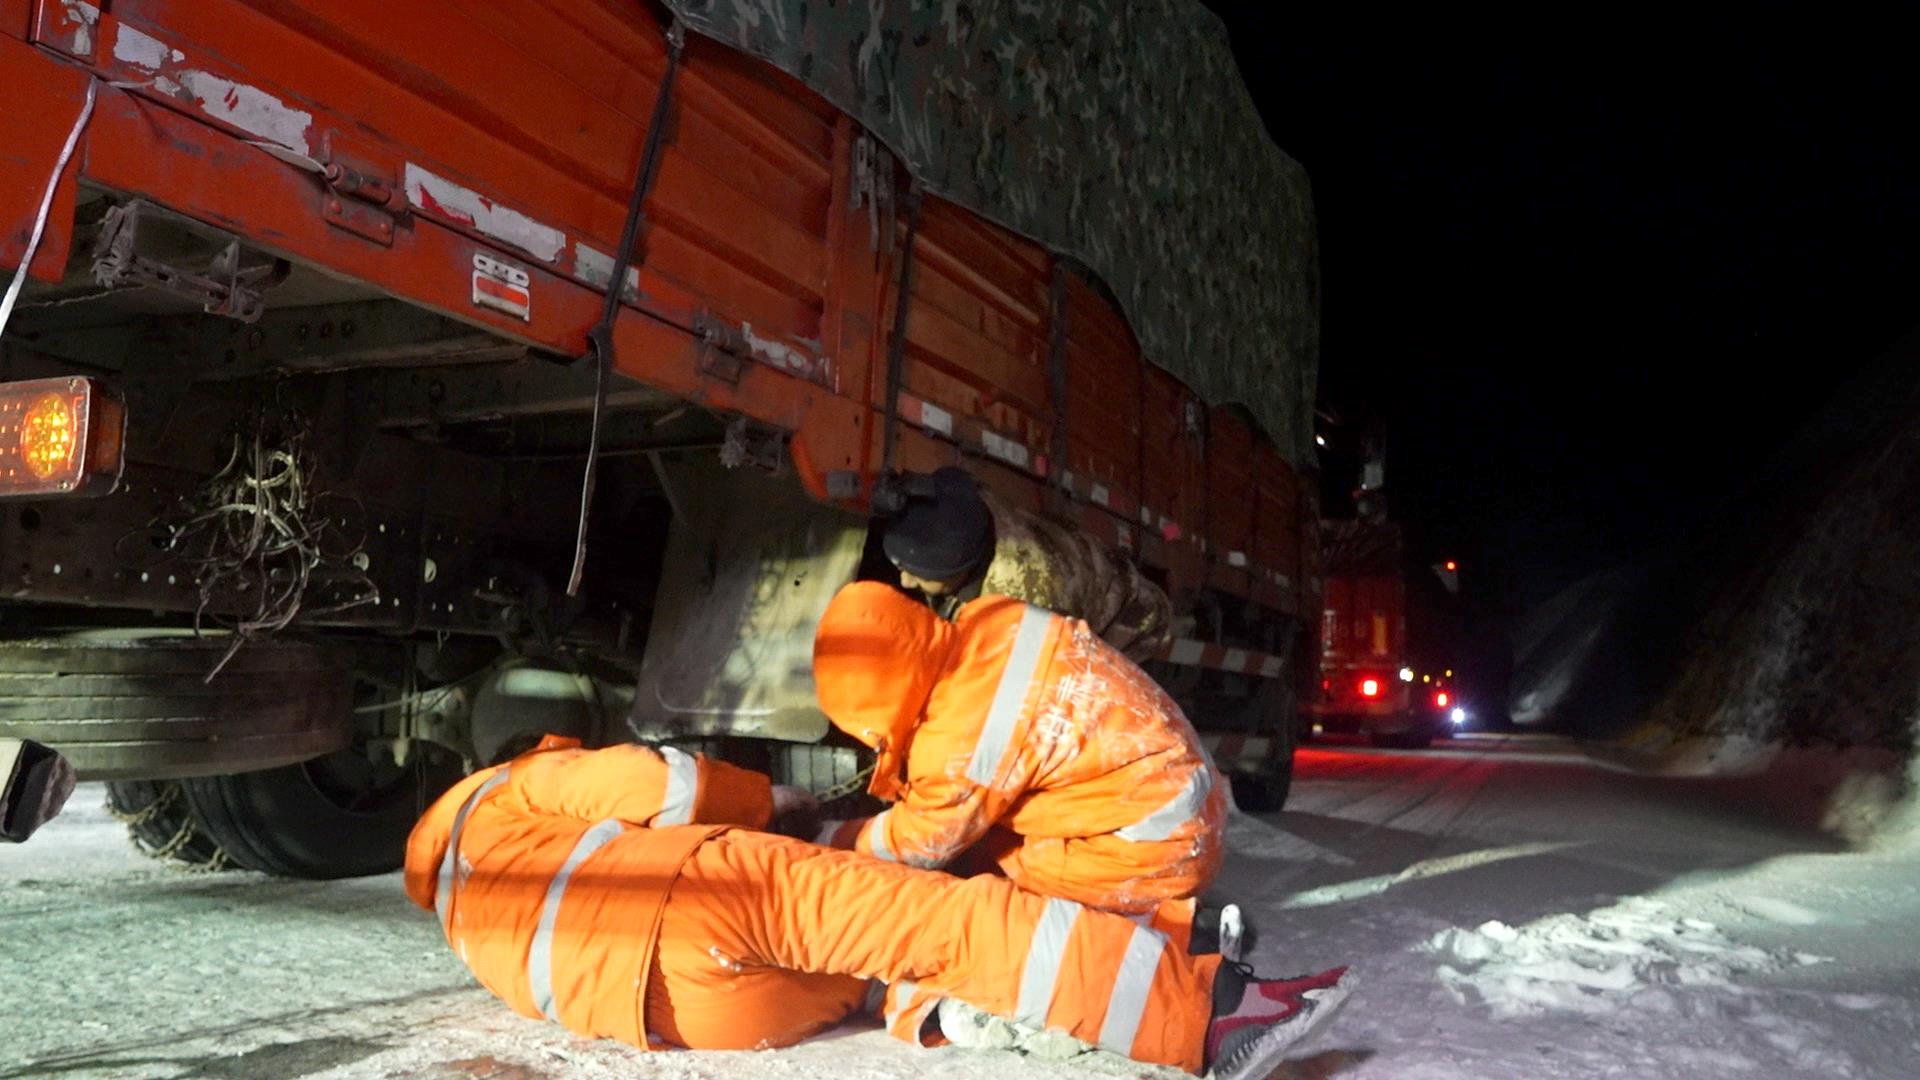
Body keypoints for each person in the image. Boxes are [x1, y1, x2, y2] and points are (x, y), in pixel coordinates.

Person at [403, 734, 1351, 1079]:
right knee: (937, 923)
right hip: (704, 904)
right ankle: (1206, 1017)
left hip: (700, 1020)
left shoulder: (456, 910)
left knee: (885, 971)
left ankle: (967, 1014)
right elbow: (662, 786)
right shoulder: (507, 788)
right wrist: (768, 800)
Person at [811, 580, 1227, 928]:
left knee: (997, 885)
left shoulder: (958, 741)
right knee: (984, 833)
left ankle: (1158, 930)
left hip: (1157, 853)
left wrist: (834, 838)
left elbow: (920, 843)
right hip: (1189, 802)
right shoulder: (994, 617)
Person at [880, 466, 1172, 661]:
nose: (905, 581)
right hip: (1089, 574)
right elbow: (951, 484)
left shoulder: (1024, 605)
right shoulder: (971, 507)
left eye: (918, 574)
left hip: (1134, 621)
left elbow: (1019, 695)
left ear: (960, 567)